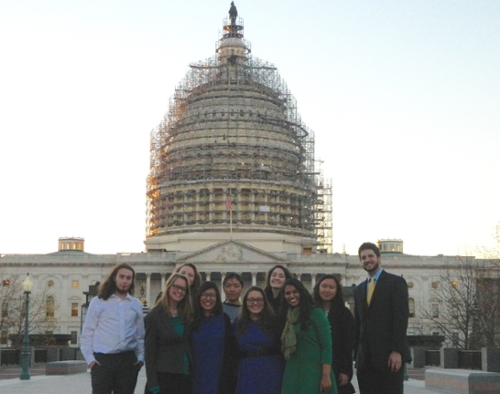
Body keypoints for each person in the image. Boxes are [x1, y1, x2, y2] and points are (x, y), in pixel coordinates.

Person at [354, 242, 411, 394]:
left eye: (371, 256)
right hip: (365, 361)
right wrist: (356, 356)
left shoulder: (395, 282)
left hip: (388, 358)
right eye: (363, 257)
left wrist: (396, 351)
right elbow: (359, 324)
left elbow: (401, 318)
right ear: (361, 261)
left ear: (379, 258)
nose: (367, 260)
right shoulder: (359, 289)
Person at [80, 263, 144, 394]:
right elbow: (87, 332)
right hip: (103, 361)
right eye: (122, 277)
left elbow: (140, 335)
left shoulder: (135, 304)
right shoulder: (98, 302)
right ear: (114, 278)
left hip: (128, 361)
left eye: (128, 278)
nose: (125, 281)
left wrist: (140, 359)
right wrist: (90, 360)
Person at [279, 278, 338, 394]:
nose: (291, 296)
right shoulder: (286, 317)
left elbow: (326, 346)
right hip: (292, 371)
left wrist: (326, 376)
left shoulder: (316, 313)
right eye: (287, 293)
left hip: (314, 372)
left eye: (295, 292)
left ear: (302, 292)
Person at [144, 273, 193, 394]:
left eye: (183, 289)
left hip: (185, 375)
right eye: (176, 287)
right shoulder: (154, 317)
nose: (179, 291)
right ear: (169, 286)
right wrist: (153, 384)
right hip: (164, 376)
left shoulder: (187, 314)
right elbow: (149, 353)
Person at [191, 281, 238, 394]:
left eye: (212, 295)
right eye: (204, 295)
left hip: (219, 374)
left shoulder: (224, 319)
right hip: (196, 374)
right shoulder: (191, 320)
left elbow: (232, 348)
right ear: (198, 296)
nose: (208, 298)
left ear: (217, 298)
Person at [234, 286, 283, 394]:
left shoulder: (274, 322)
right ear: (245, 302)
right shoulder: (238, 323)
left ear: (265, 301)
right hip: (247, 371)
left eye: (259, 299)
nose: (255, 303)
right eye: (251, 300)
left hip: (270, 370)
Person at [313, 275, 355, 394]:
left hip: (336, 364)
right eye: (324, 286)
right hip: (314, 364)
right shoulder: (310, 311)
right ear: (318, 288)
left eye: (331, 287)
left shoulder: (344, 314)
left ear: (337, 291)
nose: (327, 290)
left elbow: (348, 344)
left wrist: (346, 370)